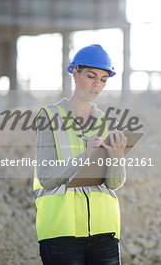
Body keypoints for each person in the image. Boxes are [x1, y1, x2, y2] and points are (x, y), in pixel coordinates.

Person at [33, 44, 127, 265]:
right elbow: (46, 177)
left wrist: (117, 157)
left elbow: (113, 184)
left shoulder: (103, 120)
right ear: (75, 73)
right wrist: (85, 156)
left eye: (103, 79)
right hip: (61, 231)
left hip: (104, 230)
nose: (97, 84)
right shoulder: (50, 116)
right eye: (91, 76)